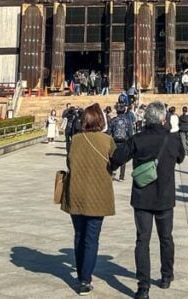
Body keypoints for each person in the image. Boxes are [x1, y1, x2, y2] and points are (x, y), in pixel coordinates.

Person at [110, 101, 185, 299]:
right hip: (165, 197)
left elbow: (117, 158)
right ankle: (166, 276)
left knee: (142, 240)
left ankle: (143, 287)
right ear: (163, 119)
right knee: (166, 237)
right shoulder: (172, 139)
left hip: (142, 197)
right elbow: (181, 158)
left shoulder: (138, 139)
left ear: (145, 118)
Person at [61, 104, 116, 296]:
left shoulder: (75, 140)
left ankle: (81, 275)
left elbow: (69, 162)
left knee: (79, 235)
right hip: (98, 196)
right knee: (91, 238)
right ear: (101, 121)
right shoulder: (107, 140)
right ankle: (85, 279)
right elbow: (114, 162)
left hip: (76, 194)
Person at [108, 104, 135, 181]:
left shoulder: (113, 120)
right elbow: (130, 133)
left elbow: (109, 131)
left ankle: (111, 171)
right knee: (123, 158)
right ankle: (121, 176)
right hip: (124, 141)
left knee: (112, 156)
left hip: (114, 141)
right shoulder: (127, 121)